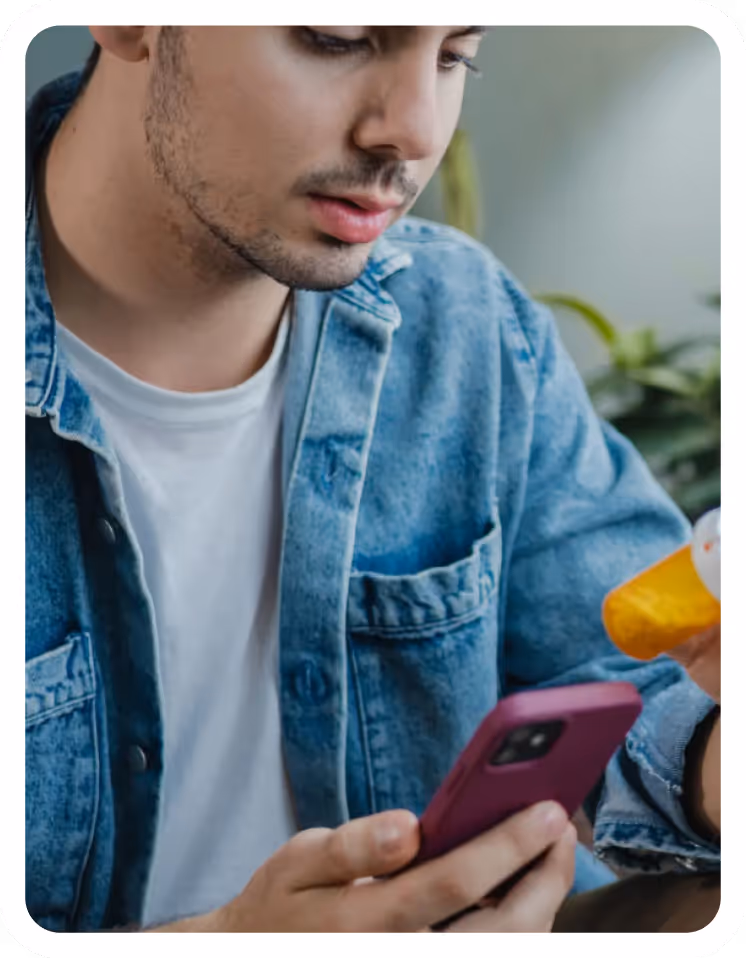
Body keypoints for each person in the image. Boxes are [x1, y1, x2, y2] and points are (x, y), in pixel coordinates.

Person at [25, 26, 720, 933]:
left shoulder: (469, 326)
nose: (414, 130)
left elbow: (633, 687)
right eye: (337, 37)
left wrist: (715, 761)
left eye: (454, 56)